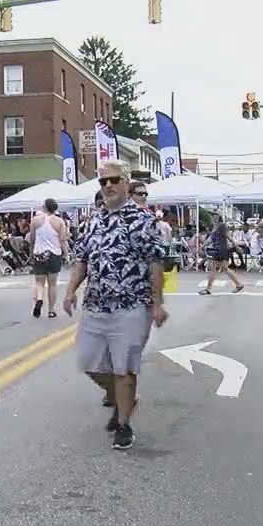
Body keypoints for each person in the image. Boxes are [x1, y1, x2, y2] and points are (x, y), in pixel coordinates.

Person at [64, 160, 169, 450]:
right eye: (103, 182)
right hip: (96, 304)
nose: (108, 186)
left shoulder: (143, 219)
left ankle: (123, 425)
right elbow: (83, 260)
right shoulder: (93, 220)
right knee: (89, 362)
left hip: (132, 305)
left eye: (113, 180)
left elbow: (156, 261)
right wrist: (71, 290)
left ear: (126, 182)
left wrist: (157, 303)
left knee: (125, 368)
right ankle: (124, 399)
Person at [28, 198, 68, 318]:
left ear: (44, 207)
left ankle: (39, 299)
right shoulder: (60, 222)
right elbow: (62, 240)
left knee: (39, 282)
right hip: (54, 254)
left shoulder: (35, 220)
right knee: (52, 284)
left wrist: (31, 253)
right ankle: (51, 310)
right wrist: (65, 253)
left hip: (39, 253)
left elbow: (32, 239)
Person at [198, 213, 245, 294]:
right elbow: (211, 239)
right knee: (224, 269)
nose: (213, 218)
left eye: (215, 217)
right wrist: (202, 246)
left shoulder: (222, 226)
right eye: (213, 217)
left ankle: (208, 288)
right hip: (218, 249)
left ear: (219, 218)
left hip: (221, 250)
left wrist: (236, 246)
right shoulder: (215, 227)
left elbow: (228, 237)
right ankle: (238, 284)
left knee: (214, 268)